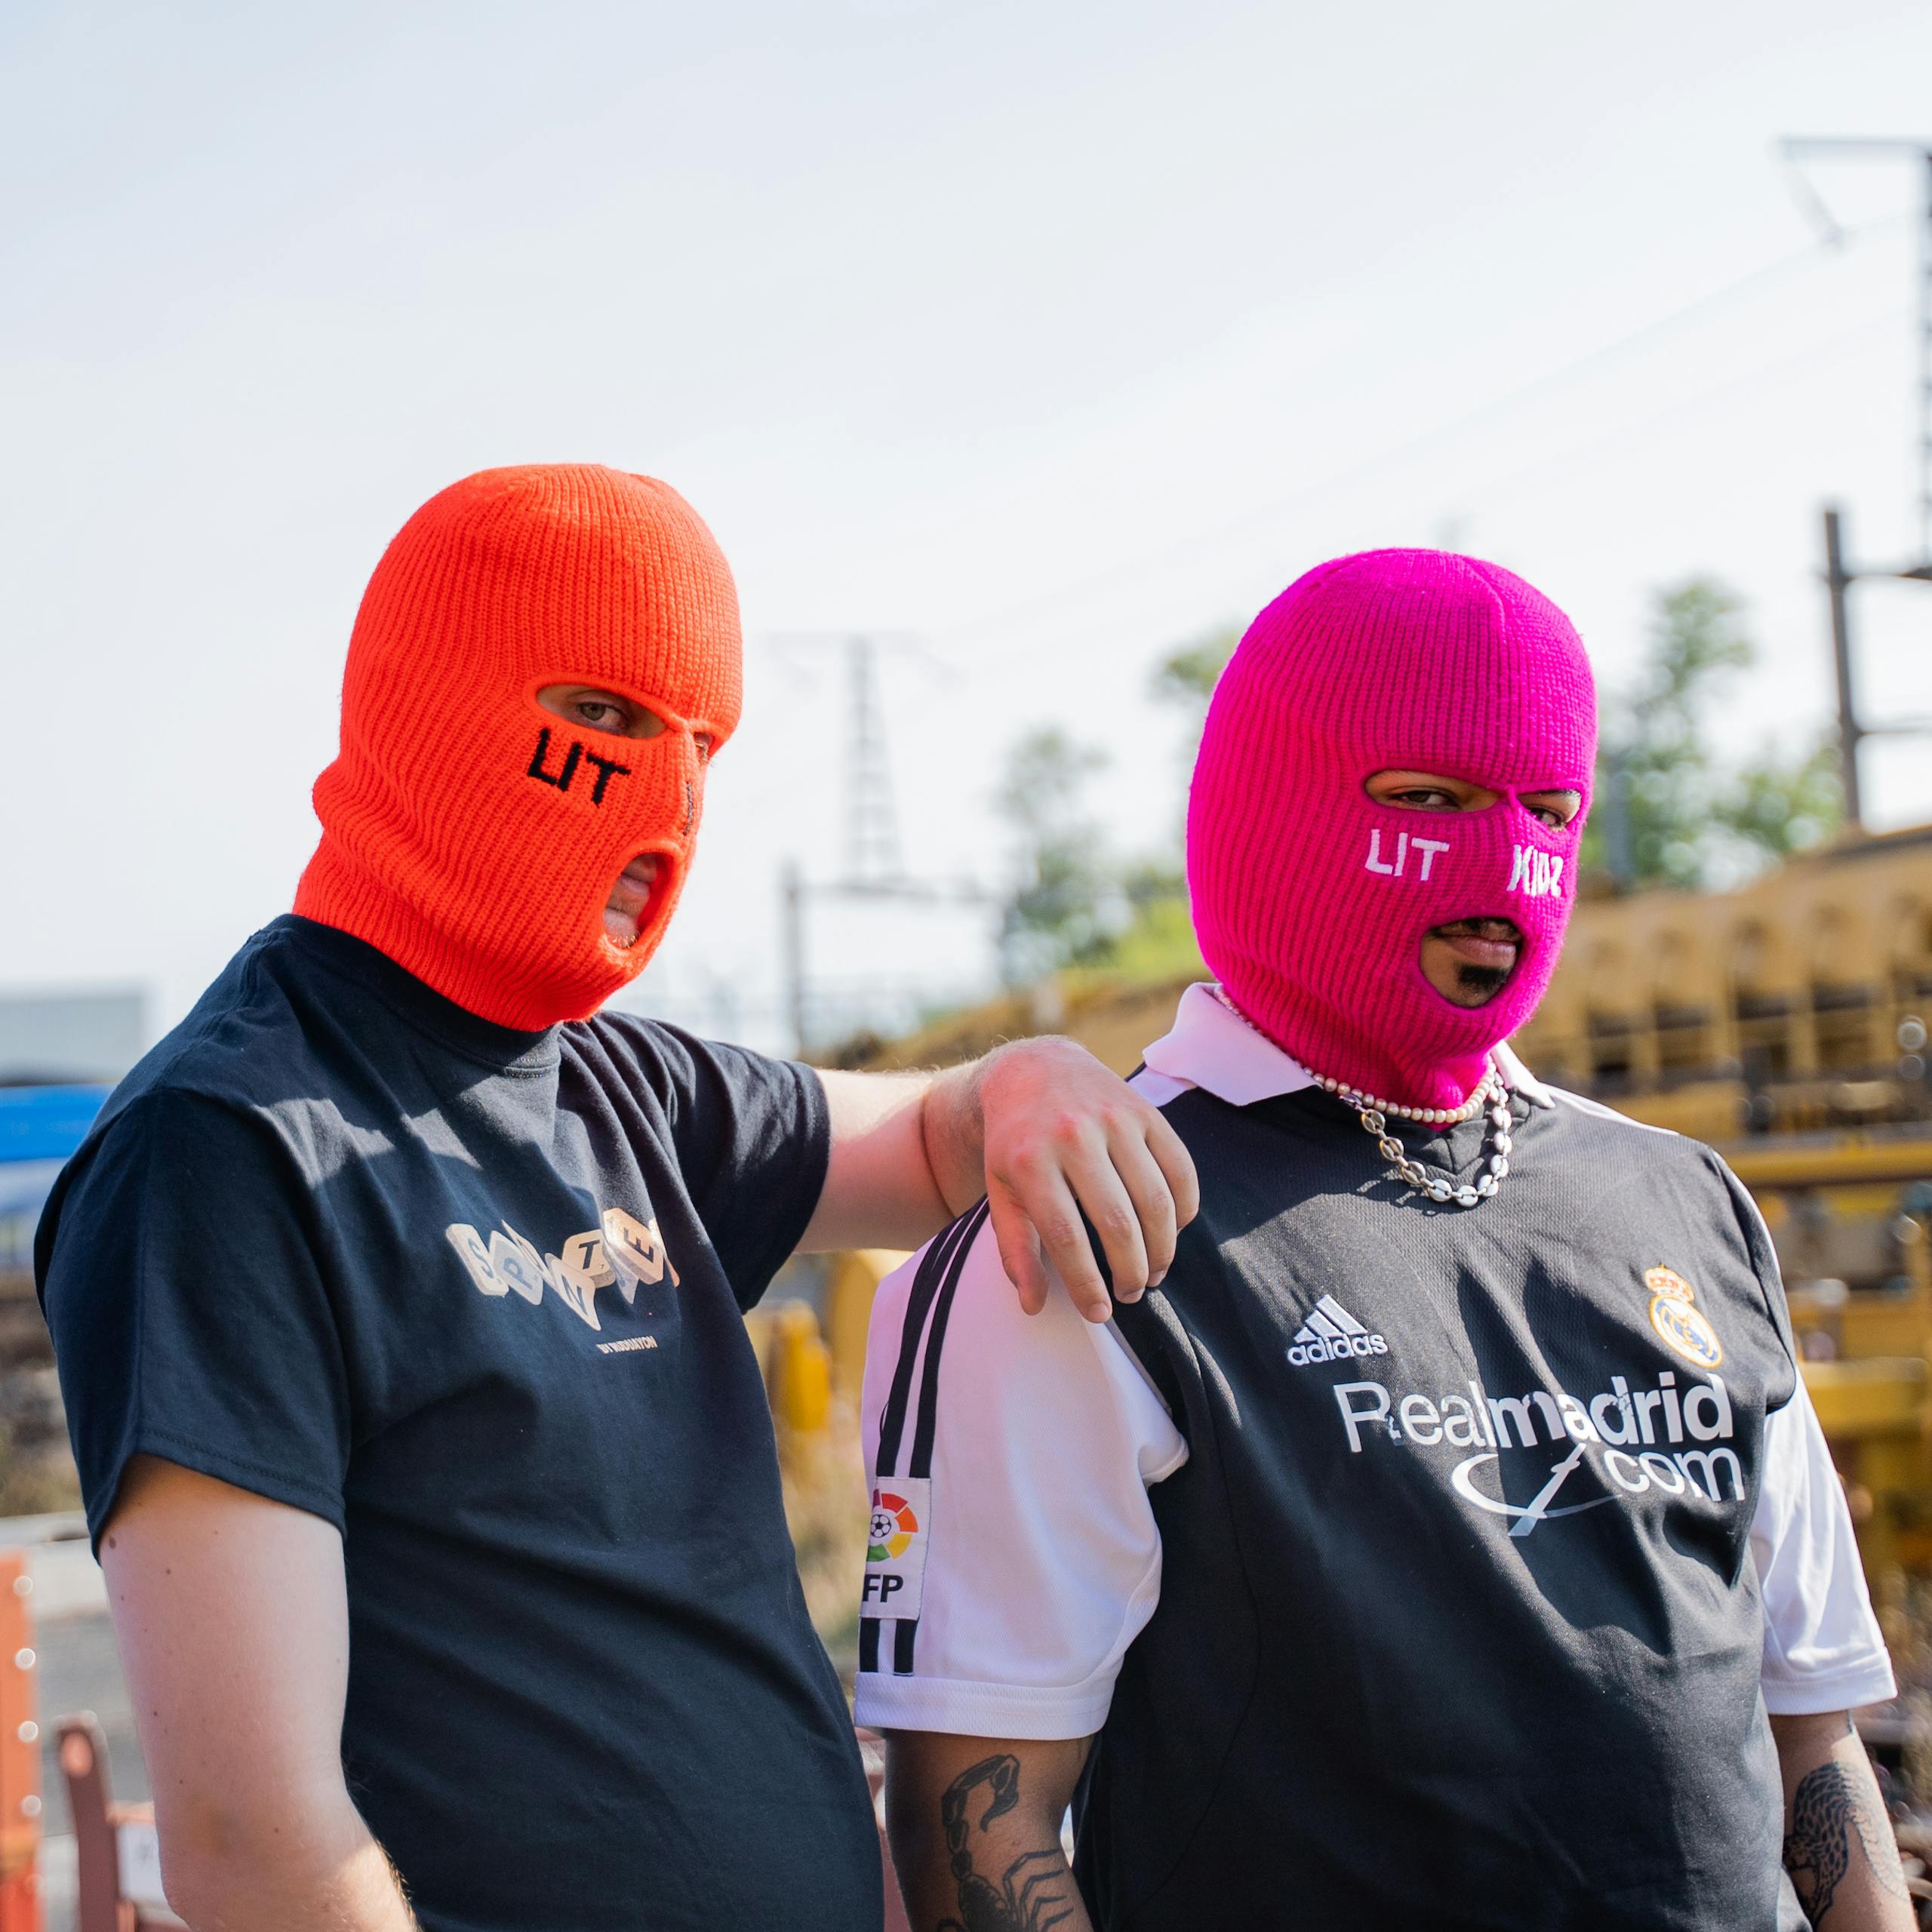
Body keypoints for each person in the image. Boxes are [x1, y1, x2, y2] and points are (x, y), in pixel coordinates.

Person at [35, 465, 1198, 1932]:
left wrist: (1031, 1076)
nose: (668, 793)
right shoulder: (228, 1146)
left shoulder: (628, 1090)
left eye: (702, 741)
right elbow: (251, 1840)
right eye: (603, 713)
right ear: (431, 697)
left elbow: (938, 1137)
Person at [859, 549, 1906, 1932]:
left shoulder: (1686, 1201)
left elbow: (1813, 1736)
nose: (1503, 864)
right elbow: (975, 1828)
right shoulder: (1090, 1231)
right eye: (1427, 800)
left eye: (1547, 809)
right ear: (1272, 806)